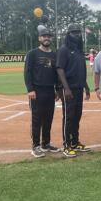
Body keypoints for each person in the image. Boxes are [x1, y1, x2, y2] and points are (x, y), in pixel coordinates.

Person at [24, 25, 60, 158]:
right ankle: (35, 146)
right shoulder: (32, 54)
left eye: (48, 36)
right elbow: (27, 72)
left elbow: (56, 73)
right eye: (44, 36)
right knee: (37, 119)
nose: (46, 38)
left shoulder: (54, 54)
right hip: (37, 91)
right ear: (39, 38)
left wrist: (56, 89)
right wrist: (30, 89)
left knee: (48, 119)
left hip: (50, 91)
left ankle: (46, 143)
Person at [56, 24, 91, 158]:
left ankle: (75, 142)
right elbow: (59, 69)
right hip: (68, 89)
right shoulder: (64, 50)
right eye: (73, 32)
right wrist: (66, 88)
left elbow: (80, 71)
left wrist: (86, 87)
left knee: (77, 117)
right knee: (68, 117)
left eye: (78, 33)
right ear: (68, 34)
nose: (76, 35)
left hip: (78, 88)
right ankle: (67, 145)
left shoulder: (79, 51)